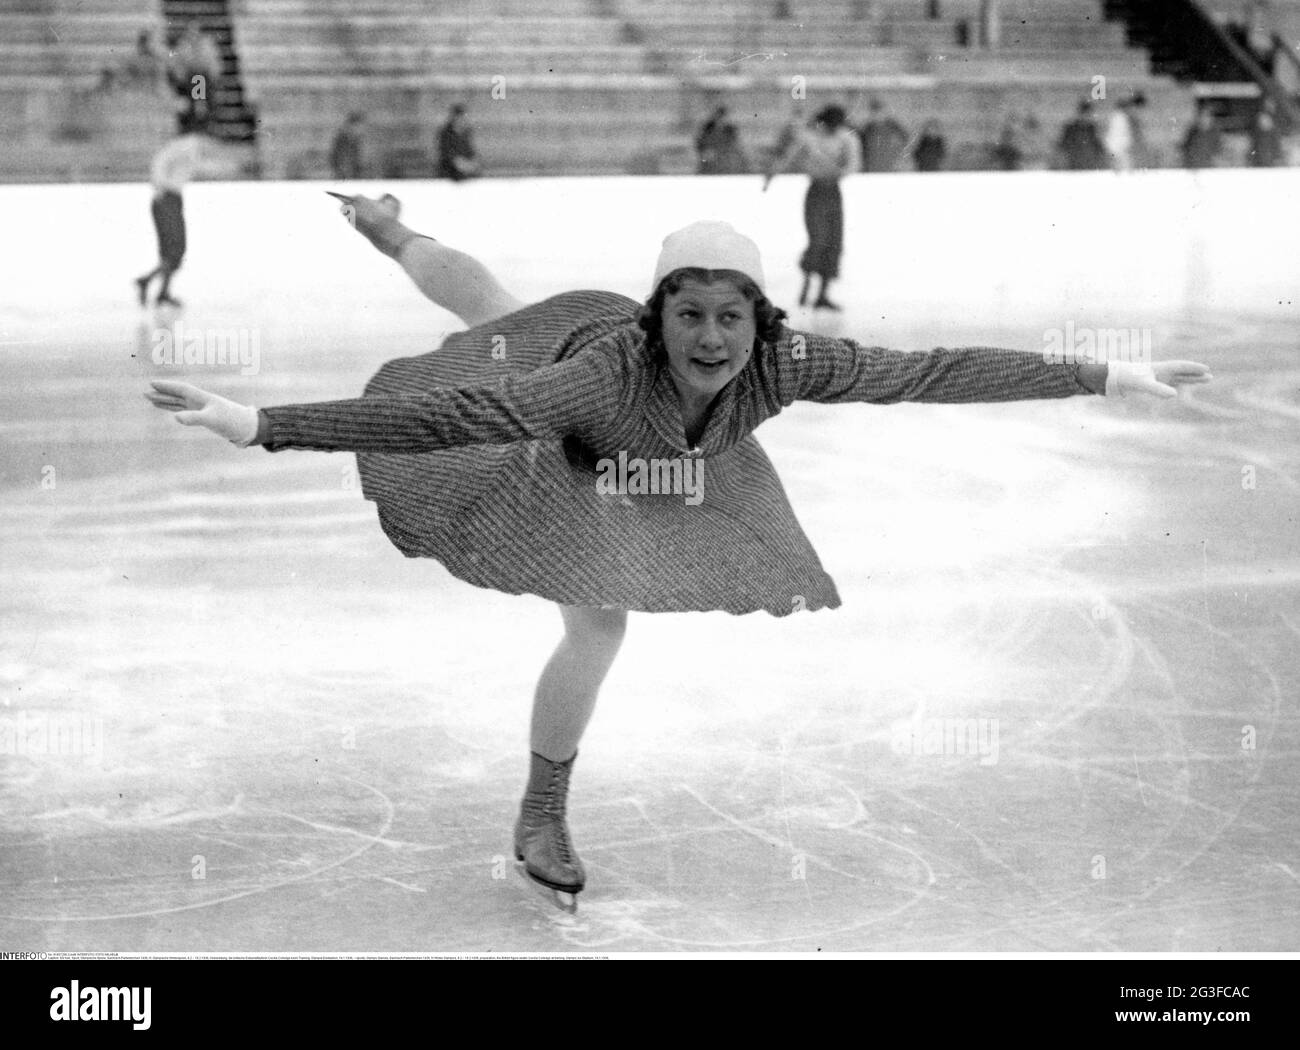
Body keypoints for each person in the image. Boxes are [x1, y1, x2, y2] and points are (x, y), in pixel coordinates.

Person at [145, 201, 1213, 910]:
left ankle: (391, 225)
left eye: (731, 316)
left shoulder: (790, 363)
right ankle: (543, 808)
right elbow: (456, 414)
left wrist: (1103, 377)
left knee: (495, 306)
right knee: (502, 345)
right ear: (659, 320)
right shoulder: (602, 375)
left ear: (764, 322)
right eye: (690, 314)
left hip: (677, 466)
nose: (711, 337)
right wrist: (262, 424)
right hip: (564, 445)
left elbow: (929, 371)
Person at [764, 104, 862, 309]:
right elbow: (788, 157)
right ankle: (807, 282)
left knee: (834, 241)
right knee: (818, 239)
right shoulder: (809, 138)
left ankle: (823, 294)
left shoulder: (846, 139)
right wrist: (771, 175)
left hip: (833, 191)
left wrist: (839, 171)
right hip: (816, 191)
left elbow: (853, 164)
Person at [133, 118, 232, 308]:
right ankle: (152, 284)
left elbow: (196, 167)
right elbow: (161, 161)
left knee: (173, 250)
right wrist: (160, 185)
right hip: (166, 198)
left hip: (170, 197)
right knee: (175, 248)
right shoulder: (187, 146)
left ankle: (159, 289)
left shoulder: (191, 149)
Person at [858, 97, 908, 172]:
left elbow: (905, 138)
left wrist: (898, 154)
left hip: (889, 159)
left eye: (879, 110)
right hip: (872, 161)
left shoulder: (892, 125)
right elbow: (861, 145)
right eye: (874, 111)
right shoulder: (868, 127)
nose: (877, 114)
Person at [1057, 100, 1106, 170]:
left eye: (1088, 114)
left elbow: (1098, 145)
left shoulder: (1092, 128)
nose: (1086, 117)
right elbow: (1063, 145)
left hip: (1089, 162)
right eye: (1085, 114)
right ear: (1080, 113)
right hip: (1073, 161)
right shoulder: (1070, 128)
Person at [437, 104, 479, 181]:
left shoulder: (466, 133)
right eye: (461, 117)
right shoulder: (445, 133)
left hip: (465, 169)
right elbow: (448, 154)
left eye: (464, 117)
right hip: (449, 173)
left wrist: (472, 163)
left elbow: (471, 151)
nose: (463, 120)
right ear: (455, 117)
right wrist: (462, 164)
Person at [330, 111, 368, 179]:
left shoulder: (354, 140)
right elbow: (341, 160)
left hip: (352, 174)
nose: (361, 130)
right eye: (359, 127)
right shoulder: (343, 140)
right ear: (352, 125)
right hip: (346, 176)